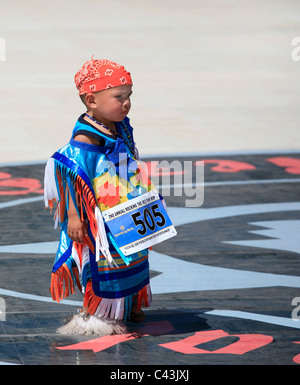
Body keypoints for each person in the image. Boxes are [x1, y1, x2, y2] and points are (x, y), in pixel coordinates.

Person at [44, 58, 176, 335]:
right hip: (101, 214)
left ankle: (129, 306)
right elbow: (70, 175)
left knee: (136, 254)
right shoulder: (85, 138)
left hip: (127, 205)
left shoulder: (120, 124)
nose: (126, 103)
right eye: (119, 97)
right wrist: (73, 216)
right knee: (107, 261)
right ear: (91, 100)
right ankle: (96, 314)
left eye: (129, 96)